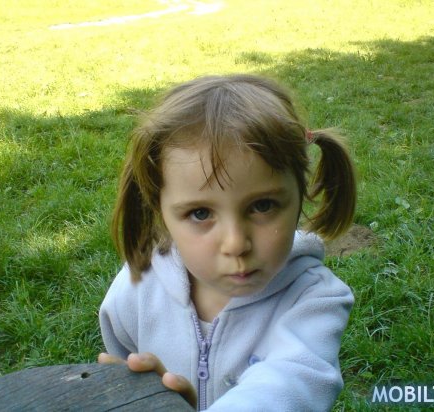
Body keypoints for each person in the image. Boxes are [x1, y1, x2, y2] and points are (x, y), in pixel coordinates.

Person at [98, 74, 357, 411]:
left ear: (299, 198)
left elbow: (292, 381)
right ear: (160, 211)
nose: (235, 244)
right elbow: (123, 373)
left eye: (263, 206)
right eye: (200, 213)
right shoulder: (137, 288)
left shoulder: (314, 299)